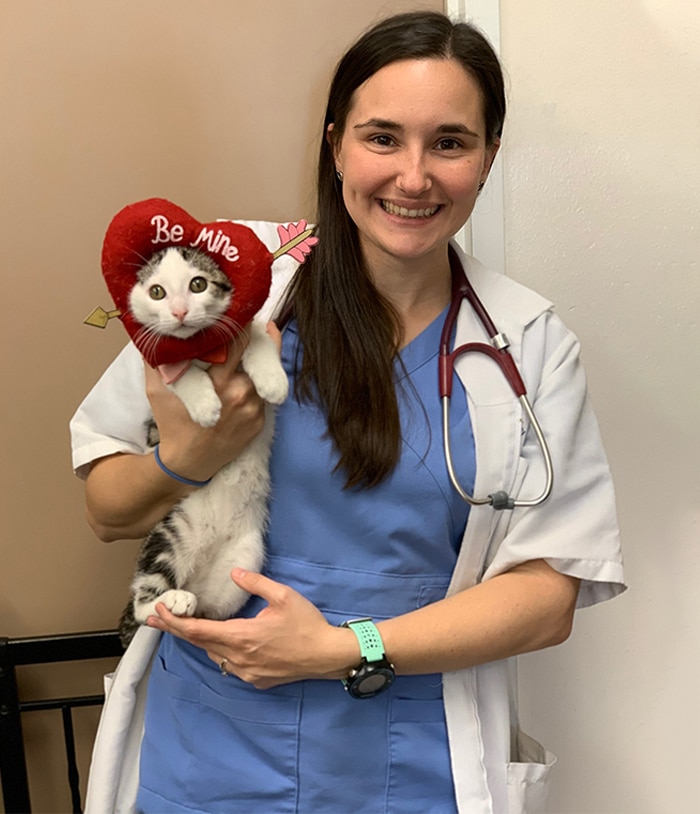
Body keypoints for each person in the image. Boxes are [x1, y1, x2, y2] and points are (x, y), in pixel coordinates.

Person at [70, 11, 625, 814]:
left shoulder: (530, 342)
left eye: (450, 142)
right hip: (210, 748)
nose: (413, 177)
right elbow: (104, 509)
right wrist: (185, 456)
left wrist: (340, 649)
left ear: (489, 157)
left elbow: (548, 596)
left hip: (410, 754)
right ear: (335, 147)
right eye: (382, 137)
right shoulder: (234, 286)